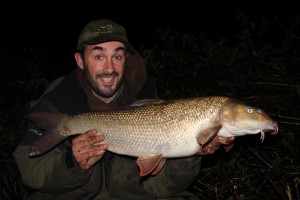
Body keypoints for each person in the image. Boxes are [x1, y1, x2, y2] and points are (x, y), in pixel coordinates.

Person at [13, 19, 234, 200]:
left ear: (126, 59)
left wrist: (191, 155)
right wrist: (71, 163)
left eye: (117, 56)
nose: (109, 68)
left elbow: (162, 188)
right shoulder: (59, 98)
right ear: (80, 61)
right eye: (99, 57)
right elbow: (29, 171)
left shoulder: (148, 99)